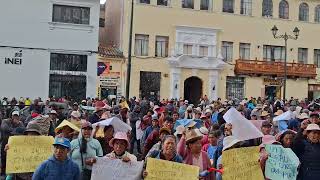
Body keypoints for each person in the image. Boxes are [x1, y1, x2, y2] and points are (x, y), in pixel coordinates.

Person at [1, 111, 25, 175]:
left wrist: (14, 130)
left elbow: (24, 130)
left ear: (19, 117)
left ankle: (12, 172)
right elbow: (4, 128)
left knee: (14, 158)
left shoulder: (20, 123)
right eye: (14, 115)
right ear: (11, 116)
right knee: (4, 157)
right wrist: (16, 130)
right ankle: (3, 172)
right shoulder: (5, 121)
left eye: (17, 116)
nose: (15, 117)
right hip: (5, 141)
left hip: (15, 144)